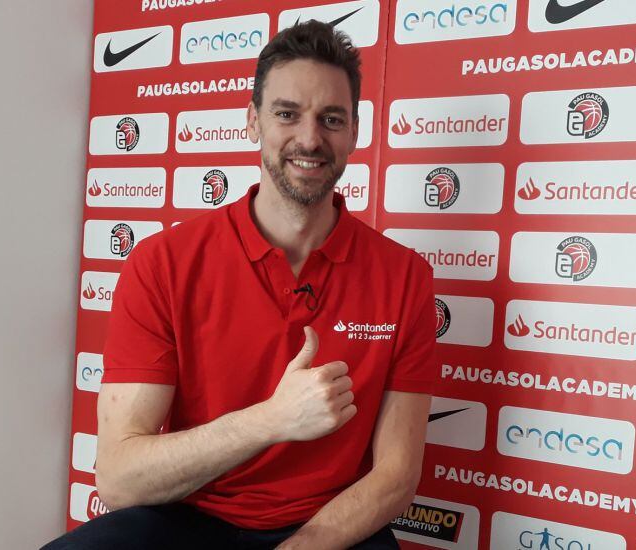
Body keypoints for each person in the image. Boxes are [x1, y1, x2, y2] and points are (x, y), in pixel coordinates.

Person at [44, 21, 437, 550]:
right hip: (187, 518)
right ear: (253, 122)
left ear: (354, 131)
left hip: (327, 529)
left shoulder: (405, 276)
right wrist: (271, 420)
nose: (310, 138)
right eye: (286, 113)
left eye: (332, 118)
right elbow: (119, 478)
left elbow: (396, 477)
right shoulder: (163, 262)